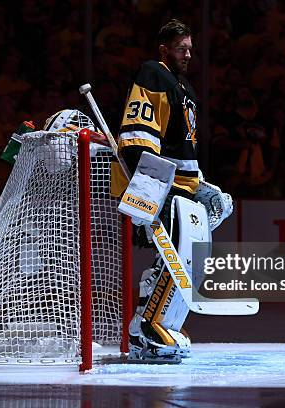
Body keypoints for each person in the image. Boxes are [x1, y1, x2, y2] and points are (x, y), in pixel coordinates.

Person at [115, 19, 231, 363]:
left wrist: (201, 183)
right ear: (164, 49)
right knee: (179, 259)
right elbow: (139, 135)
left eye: (191, 49)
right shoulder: (154, 74)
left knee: (184, 258)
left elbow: (183, 149)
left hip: (184, 186)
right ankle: (151, 327)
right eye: (182, 48)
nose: (188, 54)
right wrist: (151, 192)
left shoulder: (184, 88)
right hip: (166, 187)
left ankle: (144, 327)